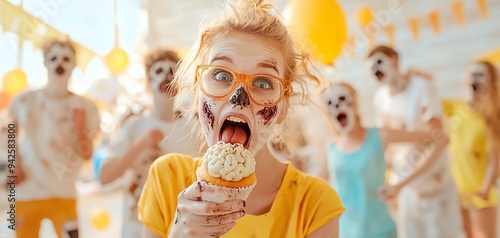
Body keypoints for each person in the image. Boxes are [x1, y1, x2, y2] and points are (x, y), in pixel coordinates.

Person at [138, 1, 344, 237]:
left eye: (263, 82)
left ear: (283, 106)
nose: (240, 98)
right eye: (222, 74)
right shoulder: (167, 179)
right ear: (197, 93)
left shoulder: (315, 205)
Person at [99, 48, 204, 238]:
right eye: (159, 71)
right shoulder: (134, 125)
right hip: (137, 227)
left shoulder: (194, 127)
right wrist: (140, 145)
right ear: (148, 83)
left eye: (172, 71)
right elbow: (105, 176)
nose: (165, 76)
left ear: (179, 82)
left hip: (183, 227)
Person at [324, 82, 451, 238]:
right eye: (329, 103)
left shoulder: (380, 135)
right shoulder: (331, 148)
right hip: (346, 232)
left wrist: (400, 185)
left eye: (342, 99)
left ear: (355, 102)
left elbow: (440, 139)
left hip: (382, 231)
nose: (336, 106)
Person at [365, 45, 465, 238]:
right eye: (369, 68)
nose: (375, 69)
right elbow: (389, 146)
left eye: (379, 62)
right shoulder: (380, 100)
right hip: (408, 191)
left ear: (394, 60)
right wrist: (391, 179)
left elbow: (440, 139)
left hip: (437, 187)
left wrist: (401, 184)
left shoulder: (422, 87)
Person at [8, 38, 101, 238]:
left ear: (74, 64)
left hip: (64, 193)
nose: (60, 63)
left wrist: (80, 127)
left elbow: (87, 155)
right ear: (45, 62)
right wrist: (14, 165)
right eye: (54, 58)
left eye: (66, 59)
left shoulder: (87, 108)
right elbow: (8, 131)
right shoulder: (25, 101)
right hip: (27, 192)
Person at [445, 60, 499, 238]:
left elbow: (495, 161)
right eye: (472, 74)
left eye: (481, 75)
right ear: (464, 80)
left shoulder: (490, 118)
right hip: (457, 192)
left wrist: (485, 188)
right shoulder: (453, 108)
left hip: (481, 193)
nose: (475, 79)